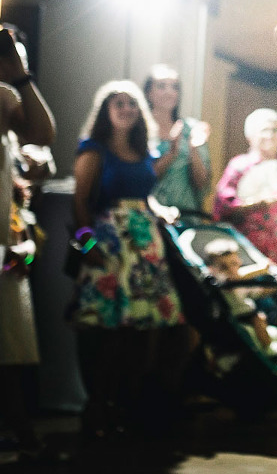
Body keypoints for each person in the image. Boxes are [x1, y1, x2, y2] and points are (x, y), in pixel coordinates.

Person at [68, 81, 187, 441]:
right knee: (107, 331)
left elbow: (146, 194)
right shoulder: (94, 150)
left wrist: (160, 210)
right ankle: (97, 408)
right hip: (109, 244)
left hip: (144, 245)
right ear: (105, 111)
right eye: (118, 104)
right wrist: (87, 247)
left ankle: (124, 408)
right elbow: (80, 203)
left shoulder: (144, 151)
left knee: (142, 329)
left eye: (132, 105)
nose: (126, 109)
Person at [0, 26, 56, 462]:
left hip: (7, 245)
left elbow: (40, 135)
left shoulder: (7, 99)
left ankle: (21, 434)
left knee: (12, 343)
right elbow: (40, 132)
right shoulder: (5, 98)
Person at [212, 108, 277, 270]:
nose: (271, 135)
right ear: (250, 135)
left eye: (275, 130)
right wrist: (256, 203)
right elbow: (222, 206)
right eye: (265, 130)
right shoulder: (239, 166)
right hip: (249, 245)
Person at [202, 238, 277, 358]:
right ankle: (269, 349)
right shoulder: (219, 281)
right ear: (212, 269)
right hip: (233, 316)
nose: (230, 270)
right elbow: (232, 280)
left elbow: (260, 292)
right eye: (224, 267)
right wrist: (261, 268)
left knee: (262, 316)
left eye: (234, 264)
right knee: (258, 319)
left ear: (239, 261)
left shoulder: (242, 284)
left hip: (248, 311)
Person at [144, 64, 212, 218]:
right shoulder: (140, 133)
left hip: (186, 218)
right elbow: (141, 181)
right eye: (161, 86)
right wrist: (172, 153)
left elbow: (202, 184)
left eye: (174, 87)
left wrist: (193, 149)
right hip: (151, 218)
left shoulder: (191, 129)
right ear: (149, 92)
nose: (169, 92)